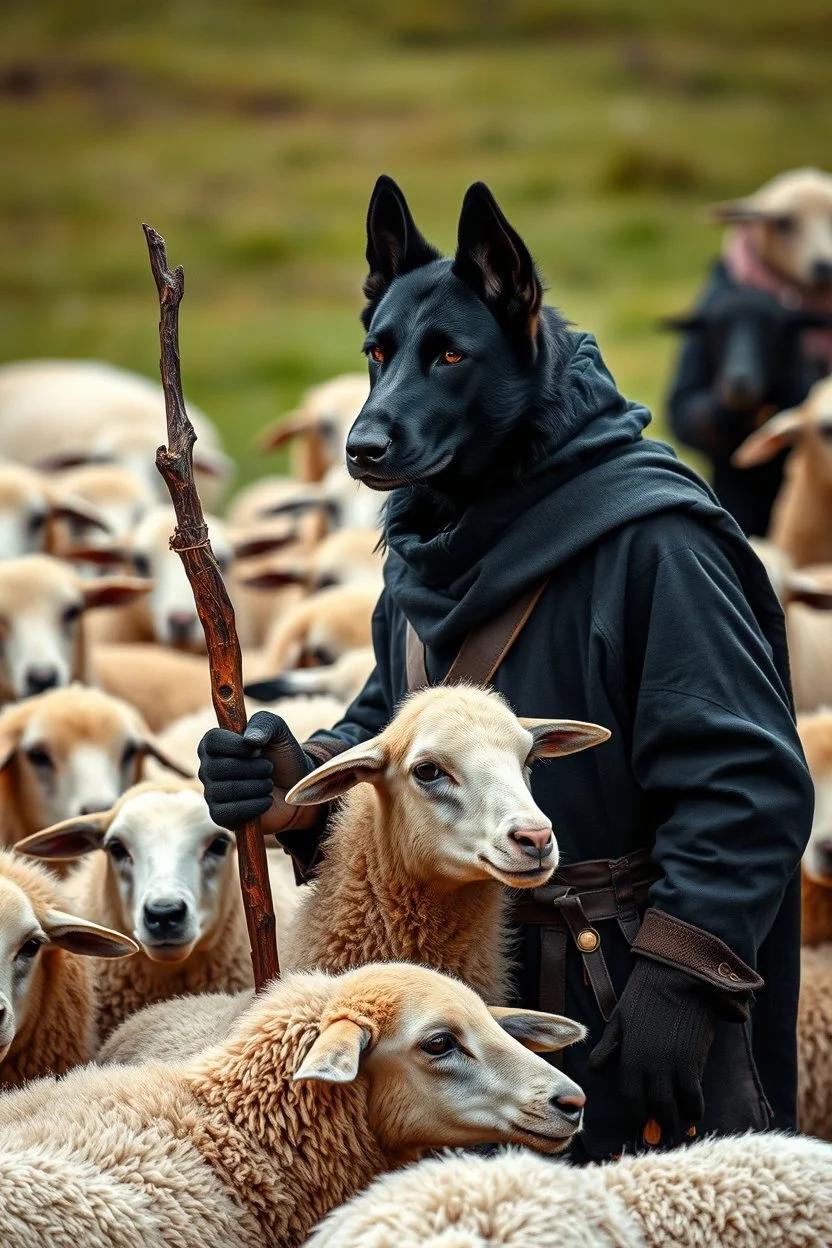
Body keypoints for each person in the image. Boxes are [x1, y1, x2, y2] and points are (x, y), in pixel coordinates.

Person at [199, 176, 813, 1161]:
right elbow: (394, 727)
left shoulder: (654, 545)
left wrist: (678, 980)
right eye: (384, 357)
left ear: (519, 336)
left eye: (446, 361)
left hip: (621, 1005)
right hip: (465, 1025)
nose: (384, 407)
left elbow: (745, 786)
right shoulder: (431, 544)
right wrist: (295, 787)